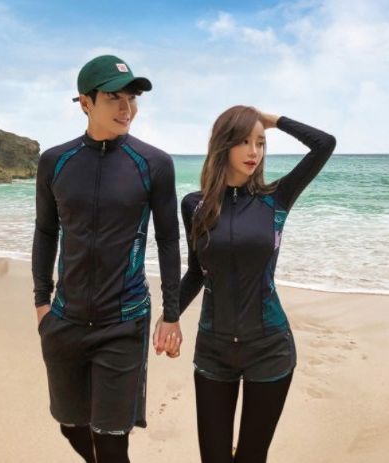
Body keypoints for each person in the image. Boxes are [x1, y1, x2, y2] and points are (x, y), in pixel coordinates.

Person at [155, 106, 336, 462]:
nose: (254, 151)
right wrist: (170, 315)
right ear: (223, 145)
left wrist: (273, 120)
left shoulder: (276, 199)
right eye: (243, 141)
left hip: (270, 348)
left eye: (261, 143)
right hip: (214, 349)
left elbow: (324, 144)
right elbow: (197, 271)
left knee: (252, 456)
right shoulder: (195, 205)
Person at [32, 55, 182, 463]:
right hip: (65, 319)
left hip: (124, 320)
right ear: (85, 103)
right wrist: (42, 303)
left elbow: (168, 240)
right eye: (114, 98)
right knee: (70, 425)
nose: (126, 108)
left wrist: (171, 314)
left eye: (132, 98)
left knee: (112, 439)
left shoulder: (154, 164)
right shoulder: (55, 161)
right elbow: (45, 232)